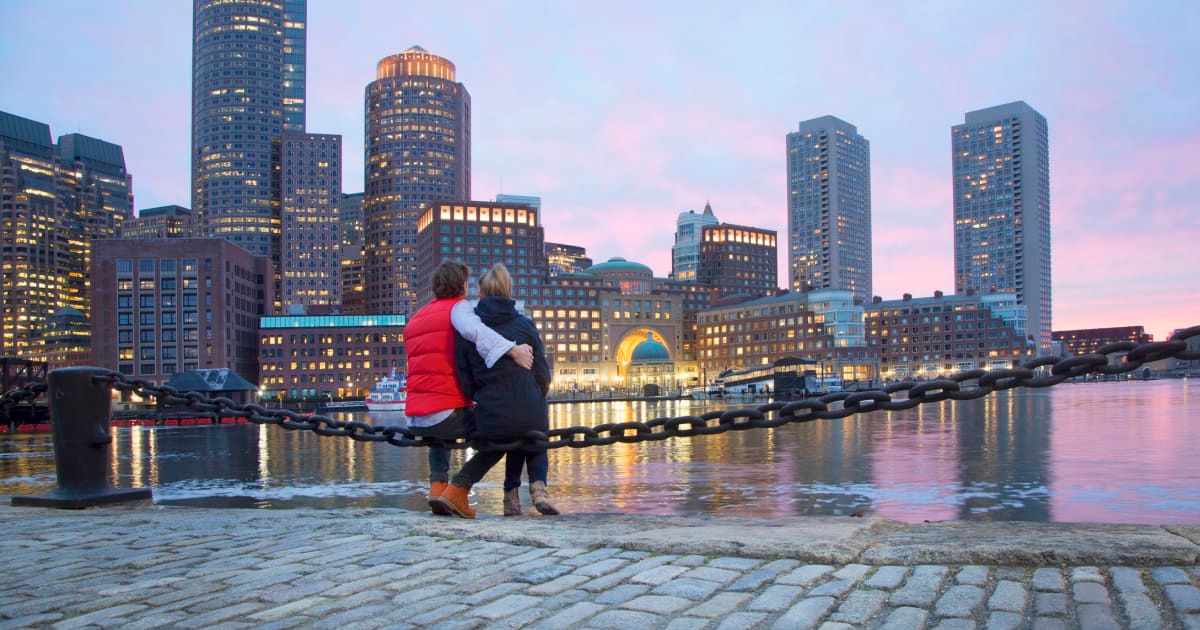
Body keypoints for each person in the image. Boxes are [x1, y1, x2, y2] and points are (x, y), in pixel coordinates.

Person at [404, 261, 533, 514]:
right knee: (504, 432)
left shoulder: (417, 317)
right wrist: (513, 350)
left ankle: (438, 488)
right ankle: (459, 489)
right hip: (446, 413)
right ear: (463, 286)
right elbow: (478, 333)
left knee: (440, 429)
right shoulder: (458, 309)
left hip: (416, 418)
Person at [434, 264, 557, 518]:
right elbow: (543, 374)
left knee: (508, 426)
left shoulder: (469, 328)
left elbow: (464, 376)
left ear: (480, 293)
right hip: (529, 410)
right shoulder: (525, 325)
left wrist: (480, 397)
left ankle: (510, 498)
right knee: (532, 427)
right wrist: (534, 395)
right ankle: (538, 487)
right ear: (509, 291)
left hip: (491, 413)